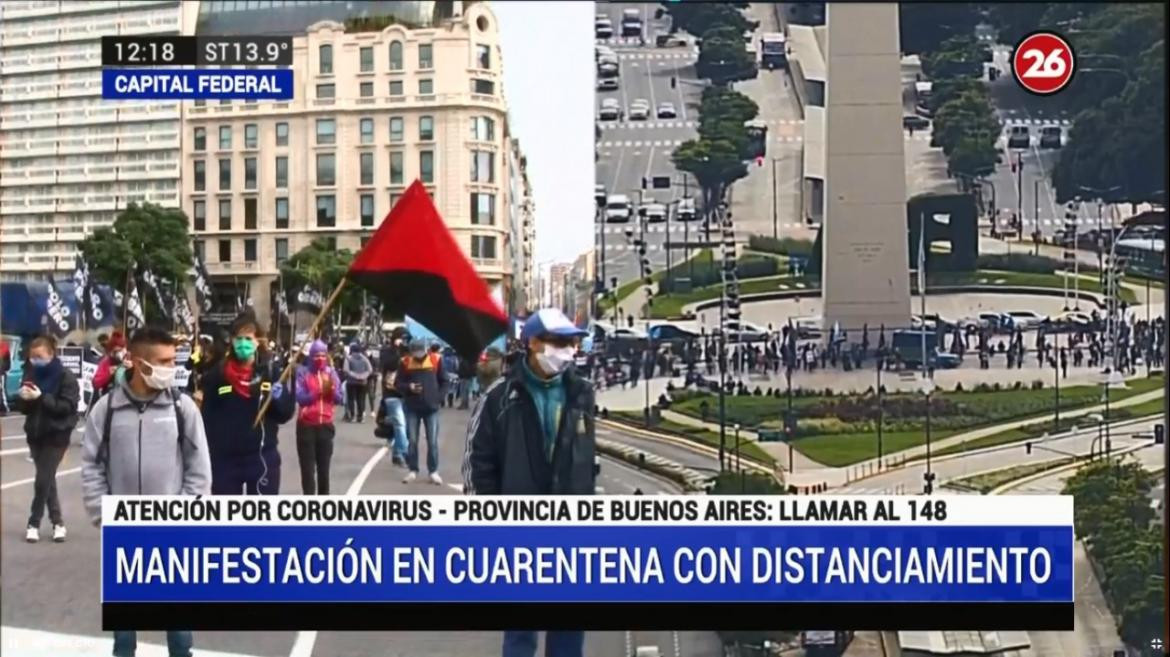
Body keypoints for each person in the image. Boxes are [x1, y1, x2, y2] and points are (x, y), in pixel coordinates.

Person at [465, 309, 594, 657]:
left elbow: (585, 463)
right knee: (520, 636)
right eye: (557, 342)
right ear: (533, 344)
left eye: (571, 343)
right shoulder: (498, 397)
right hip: (518, 534)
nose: (566, 350)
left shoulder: (582, 394)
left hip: (572, 536)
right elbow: (478, 468)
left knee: (568, 635)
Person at [81, 327, 210, 657]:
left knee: (179, 631)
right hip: (123, 534)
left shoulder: (183, 409)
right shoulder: (106, 410)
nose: (172, 368)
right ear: (139, 363)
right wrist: (102, 514)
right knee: (124, 635)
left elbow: (199, 470)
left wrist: (182, 515)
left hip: (173, 533)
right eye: (164, 361)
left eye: (173, 360)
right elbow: (92, 466)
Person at [199, 313, 295, 495]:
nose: (243, 343)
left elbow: (284, 414)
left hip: (262, 458)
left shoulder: (270, 372)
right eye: (239, 338)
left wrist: (279, 398)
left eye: (248, 338)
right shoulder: (217, 374)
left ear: (257, 341)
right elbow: (206, 418)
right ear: (232, 341)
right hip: (225, 461)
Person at [17, 336, 80, 543]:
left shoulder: (65, 377)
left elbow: (67, 407)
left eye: (40, 357)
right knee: (48, 480)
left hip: (57, 435)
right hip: (35, 434)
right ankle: (58, 522)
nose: (35, 361)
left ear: (51, 355)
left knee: (42, 479)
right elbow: (25, 409)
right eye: (33, 357)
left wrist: (42, 397)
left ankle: (33, 523)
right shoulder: (31, 373)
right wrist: (24, 398)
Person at [294, 340, 344, 493]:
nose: (320, 358)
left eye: (323, 355)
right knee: (308, 471)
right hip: (306, 426)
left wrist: (332, 390)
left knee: (324, 471)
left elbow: (340, 398)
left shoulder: (331, 373)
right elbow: (300, 397)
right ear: (310, 356)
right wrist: (316, 393)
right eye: (316, 355)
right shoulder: (303, 372)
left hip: (326, 426)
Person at [396, 338, 445, 485]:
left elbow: (445, 381)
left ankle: (433, 471)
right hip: (412, 407)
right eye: (415, 352)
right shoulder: (405, 362)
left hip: (432, 408)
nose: (418, 355)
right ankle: (413, 469)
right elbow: (398, 383)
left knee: (432, 441)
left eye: (420, 351)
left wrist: (438, 397)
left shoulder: (436, 360)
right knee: (412, 440)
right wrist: (408, 387)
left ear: (426, 350)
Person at [375, 368, 408, 466]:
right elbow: (389, 384)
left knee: (403, 426)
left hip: (406, 397)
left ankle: (398, 453)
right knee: (400, 424)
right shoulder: (396, 365)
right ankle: (402, 453)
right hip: (395, 397)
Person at [92, 331, 129, 397]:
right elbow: (95, 383)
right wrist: (108, 374)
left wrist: (132, 369)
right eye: (116, 352)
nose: (119, 353)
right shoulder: (106, 362)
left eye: (121, 350)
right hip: (110, 396)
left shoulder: (132, 359)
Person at [343, 342, 374, 422]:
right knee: (361, 399)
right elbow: (370, 370)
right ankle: (360, 417)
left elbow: (346, 370)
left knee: (351, 399)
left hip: (351, 382)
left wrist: (354, 375)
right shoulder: (365, 358)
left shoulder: (348, 358)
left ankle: (352, 416)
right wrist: (363, 376)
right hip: (362, 382)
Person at [0, 338, 10, 416]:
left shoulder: (4, 348)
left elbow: (7, 364)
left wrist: (2, 369)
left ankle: (4, 408)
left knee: (1, 390)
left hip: (1, 373)